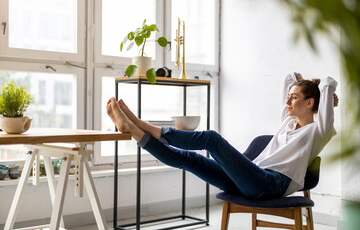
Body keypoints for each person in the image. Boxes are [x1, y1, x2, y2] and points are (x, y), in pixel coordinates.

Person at [106, 72, 338, 199]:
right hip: (252, 175)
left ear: (310, 103)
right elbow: (289, 77)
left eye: (294, 98)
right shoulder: (286, 122)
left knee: (212, 139)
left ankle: (143, 124)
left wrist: (325, 92)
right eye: (288, 97)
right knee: (191, 159)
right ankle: (136, 132)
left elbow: (328, 83)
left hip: (271, 184)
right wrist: (307, 85)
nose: (287, 101)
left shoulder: (319, 132)